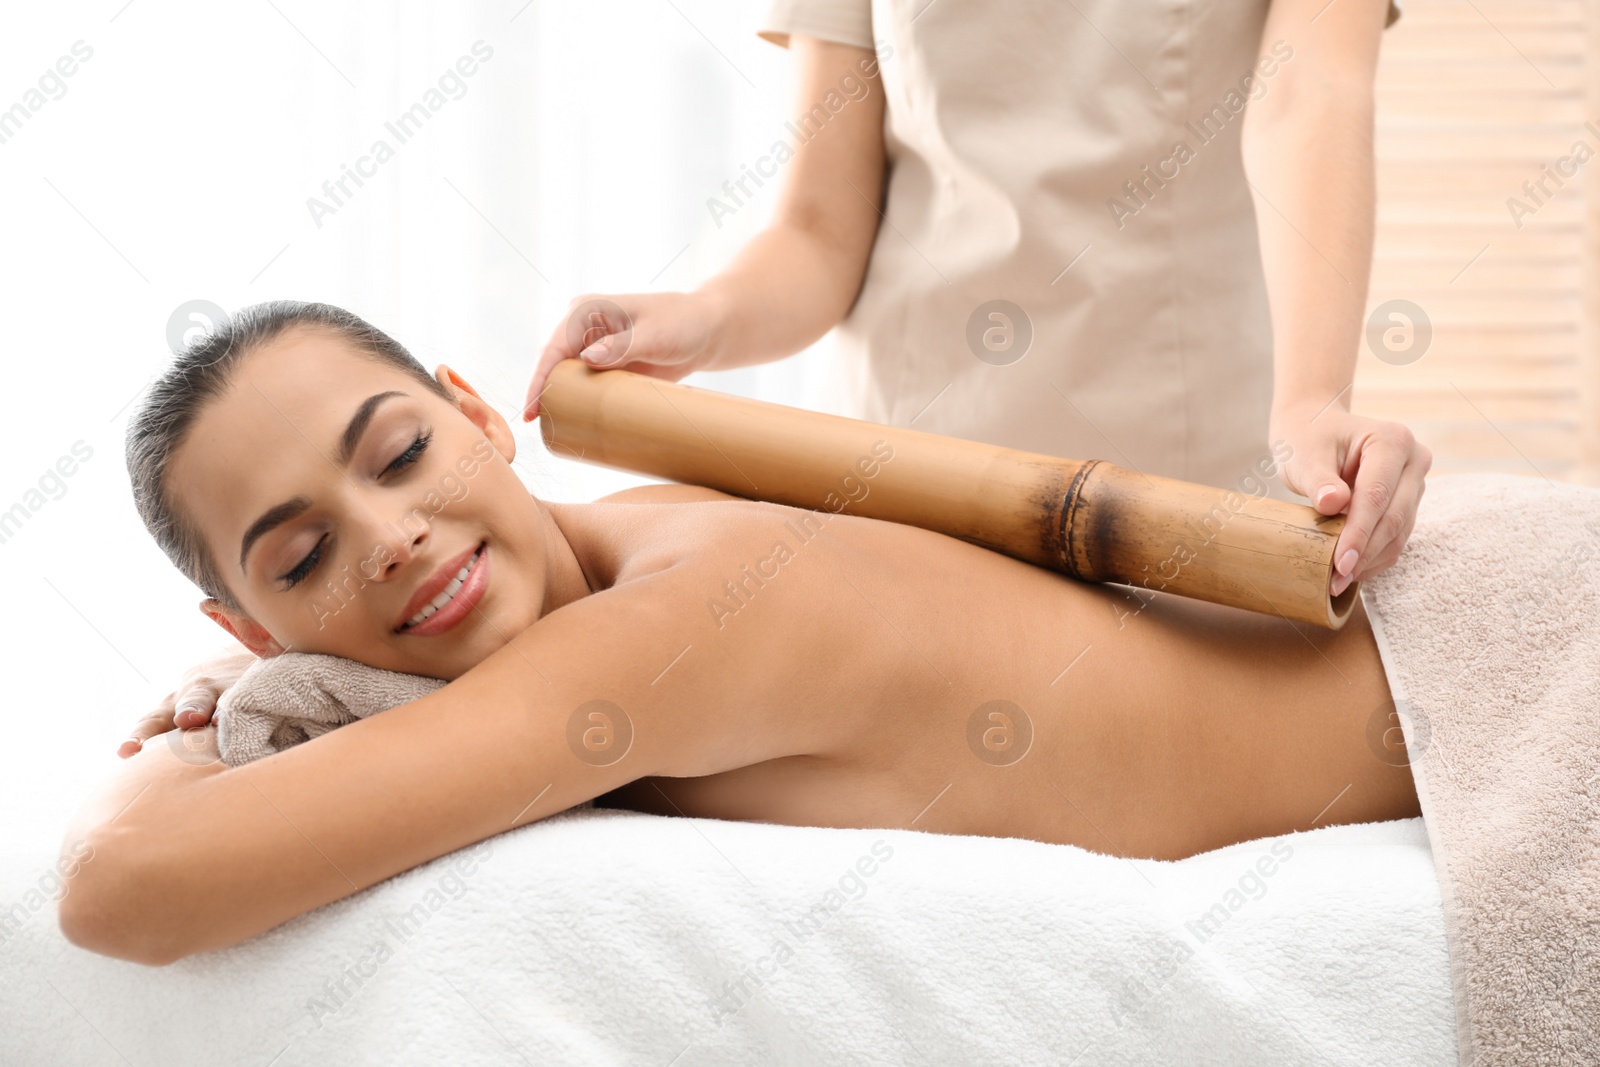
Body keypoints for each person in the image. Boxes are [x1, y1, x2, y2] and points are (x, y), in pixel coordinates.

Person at [66, 301, 1417, 966]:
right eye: (304, 554)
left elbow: (116, 887)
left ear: (480, 417)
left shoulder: (671, 623)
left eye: (403, 450)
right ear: (249, 625)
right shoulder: (623, 546)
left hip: (1477, 670)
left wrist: (178, 727)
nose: (390, 534)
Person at [522, 0, 1430, 602]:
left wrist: (1314, 396)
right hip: (909, 478)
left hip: (1176, 488)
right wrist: (699, 319)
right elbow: (820, 231)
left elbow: (1307, 96)